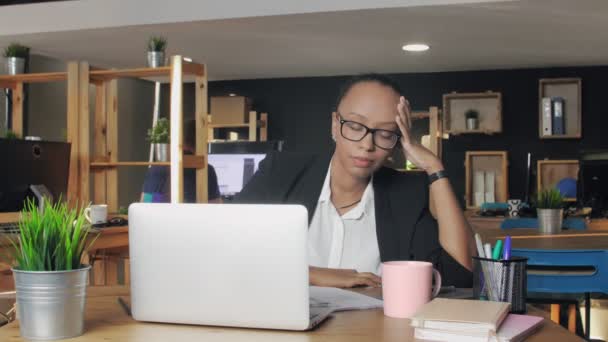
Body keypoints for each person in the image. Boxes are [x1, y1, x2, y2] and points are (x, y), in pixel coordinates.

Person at [235, 74, 476, 288]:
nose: (366, 145)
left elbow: (461, 273)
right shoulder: (280, 172)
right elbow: (227, 251)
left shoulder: (407, 194)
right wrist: (313, 275)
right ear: (334, 124)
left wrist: (435, 167)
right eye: (354, 126)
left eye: (384, 133)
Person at [141, 119, 222, 203]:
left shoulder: (157, 169)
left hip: (163, 215)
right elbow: (216, 206)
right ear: (201, 141)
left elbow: (146, 203)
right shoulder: (207, 170)